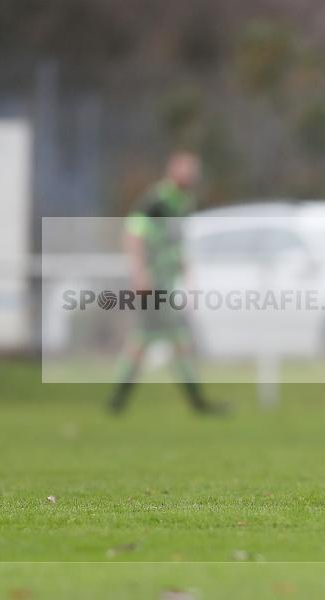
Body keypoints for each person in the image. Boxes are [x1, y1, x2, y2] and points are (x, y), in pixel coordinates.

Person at [108, 152, 223, 415]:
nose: (192, 175)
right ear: (173, 171)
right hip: (153, 284)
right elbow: (133, 233)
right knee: (177, 340)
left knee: (143, 341)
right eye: (187, 170)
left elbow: (176, 243)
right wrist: (139, 272)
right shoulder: (158, 200)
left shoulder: (184, 201)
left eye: (194, 171)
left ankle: (117, 401)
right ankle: (198, 403)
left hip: (166, 284)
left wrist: (186, 275)